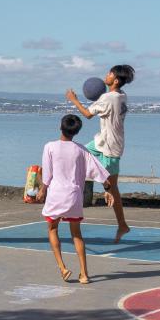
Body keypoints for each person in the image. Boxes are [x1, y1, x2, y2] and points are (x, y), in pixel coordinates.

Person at [36, 114, 110, 284]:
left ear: (60, 127)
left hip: (56, 195)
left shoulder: (50, 147)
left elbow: (47, 174)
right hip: (74, 195)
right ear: (76, 132)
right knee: (76, 234)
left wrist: (42, 189)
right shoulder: (81, 150)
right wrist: (108, 188)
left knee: (53, 229)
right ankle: (84, 274)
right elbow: (97, 170)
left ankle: (63, 268)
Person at [66, 64, 135, 243]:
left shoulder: (109, 97)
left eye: (110, 74)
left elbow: (87, 114)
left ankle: (122, 224)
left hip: (110, 147)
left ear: (116, 80)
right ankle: (93, 186)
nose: (107, 75)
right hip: (101, 141)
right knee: (77, 153)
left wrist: (73, 100)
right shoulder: (122, 96)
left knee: (114, 189)